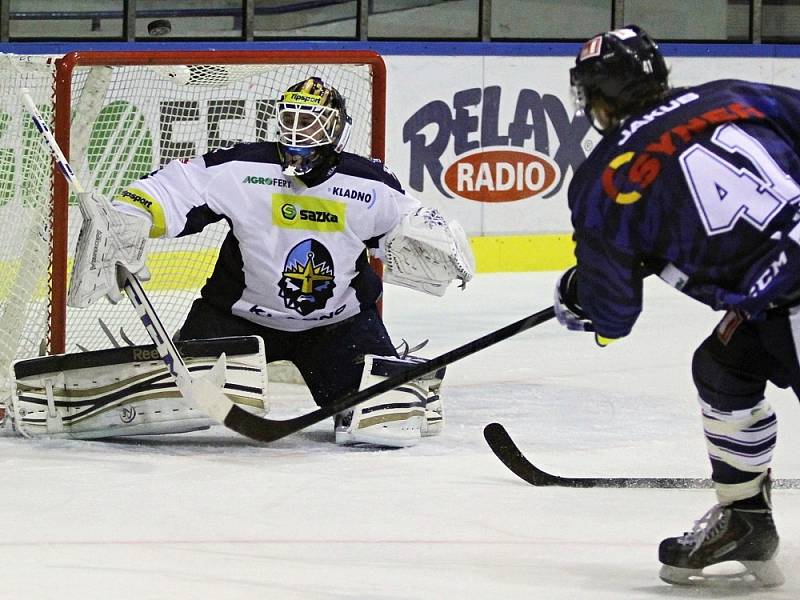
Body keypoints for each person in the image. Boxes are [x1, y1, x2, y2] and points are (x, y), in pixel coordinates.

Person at [554, 24, 800, 587]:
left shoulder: (606, 178)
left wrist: (585, 293)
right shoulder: (736, 94)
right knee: (722, 366)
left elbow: (615, 314)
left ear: (596, 97)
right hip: (774, 299)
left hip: (790, 297)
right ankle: (746, 518)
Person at [105, 76, 475, 448]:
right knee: (176, 401)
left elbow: (410, 226)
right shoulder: (243, 167)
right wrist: (131, 214)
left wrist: (439, 245)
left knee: (386, 421)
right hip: (236, 319)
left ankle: (396, 376)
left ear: (336, 130)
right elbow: (175, 186)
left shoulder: (370, 184)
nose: (298, 132)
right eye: (291, 119)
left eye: (311, 122)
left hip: (338, 327)